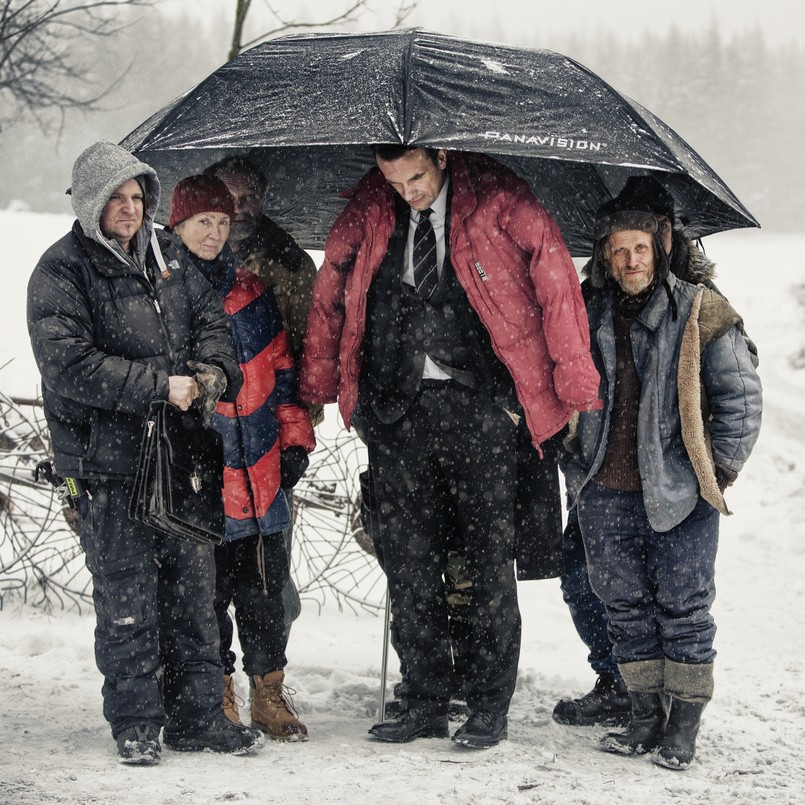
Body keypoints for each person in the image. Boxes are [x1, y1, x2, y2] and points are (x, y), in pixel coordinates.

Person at [299, 145, 600, 749]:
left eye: (416, 178)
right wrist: (322, 382)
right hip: (397, 414)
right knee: (408, 564)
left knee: (488, 564)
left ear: (439, 156)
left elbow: (557, 281)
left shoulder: (499, 196)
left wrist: (569, 388)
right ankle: (424, 698)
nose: (408, 192)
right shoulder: (372, 206)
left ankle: (489, 705)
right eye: (395, 181)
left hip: (482, 411)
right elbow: (333, 284)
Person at [26, 141, 262, 765]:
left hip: (181, 459)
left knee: (192, 595)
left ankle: (198, 718)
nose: (131, 209)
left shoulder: (170, 257)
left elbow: (213, 327)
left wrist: (213, 372)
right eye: (118, 199)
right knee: (127, 597)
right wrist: (160, 386)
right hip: (107, 465)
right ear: (90, 203)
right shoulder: (61, 270)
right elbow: (67, 365)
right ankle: (136, 724)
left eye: (138, 197)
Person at [562, 194, 762, 769]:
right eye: (619, 250)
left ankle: (683, 728)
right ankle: (644, 718)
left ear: (662, 248)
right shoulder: (586, 310)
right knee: (623, 608)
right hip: (605, 494)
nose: (630, 261)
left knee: (685, 610)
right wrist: (579, 467)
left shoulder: (703, 312)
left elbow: (741, 401)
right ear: (604, 255)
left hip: (680, 498)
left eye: (641, 248)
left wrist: (714, 474)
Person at [167, 175, 315, 740]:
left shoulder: (252, 292)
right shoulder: (163, 289)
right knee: (204, 594)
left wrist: (295, 439)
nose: (213, 232)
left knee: (265, 591)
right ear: (178, 225)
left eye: (222, 221)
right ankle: (218, 692)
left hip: (260, 469)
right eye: (202, 221)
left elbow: (281, 374)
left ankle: (269, 693)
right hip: (200, 473)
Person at [205, 155, 321, 632]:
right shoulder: (187, 258)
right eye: (230, 197)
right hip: (207, 430)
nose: (241, 207)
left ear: (265, 197)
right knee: (208, 560)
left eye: (249, 196)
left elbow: (308, 352)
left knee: (268, 559)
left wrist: (293, 429)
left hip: (269, 430)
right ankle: (214, 675)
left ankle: (269, 668)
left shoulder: (291, 263)